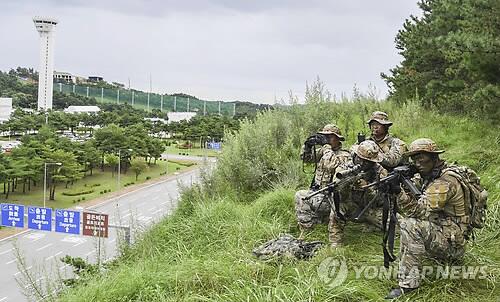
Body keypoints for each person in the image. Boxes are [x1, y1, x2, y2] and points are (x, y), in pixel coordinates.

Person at [386, 138, 480, 299]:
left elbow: (418, 211)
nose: (418, 162)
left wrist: (399, 193)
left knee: (410, 225)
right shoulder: (430, 174)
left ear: (434, 157)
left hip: (453, 245)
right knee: (402, 221)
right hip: (447, 231)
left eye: (421, 157)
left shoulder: (445, 181)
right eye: (414, 159)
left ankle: (408, 286)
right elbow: (419, 196)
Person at [328, 140, 387, 248]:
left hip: (370, 209)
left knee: (397, 226)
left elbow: (381, 200)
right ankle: (336, 241)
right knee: (337, 208)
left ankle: (371, 225)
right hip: (352, 207)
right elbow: (338, 196)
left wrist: (368, 187)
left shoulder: (380, 171)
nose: (364, 164)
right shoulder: (344, 169)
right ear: (356, 156)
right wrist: (348, 185)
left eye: (369, 162)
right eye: (361, 160)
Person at [295, 124, 350, 238]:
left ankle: (307, 229)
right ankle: (312, 225)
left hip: (334, 200)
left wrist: (326, 148)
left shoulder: (345, 155)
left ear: (338, 139)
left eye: (330, 137)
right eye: (325, 137)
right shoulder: (324, 152)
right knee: (305, 196)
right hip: (321, 194)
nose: (327, 140)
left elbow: (331, 165)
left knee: (300, 195)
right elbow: (306, 159)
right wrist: (307, 146)